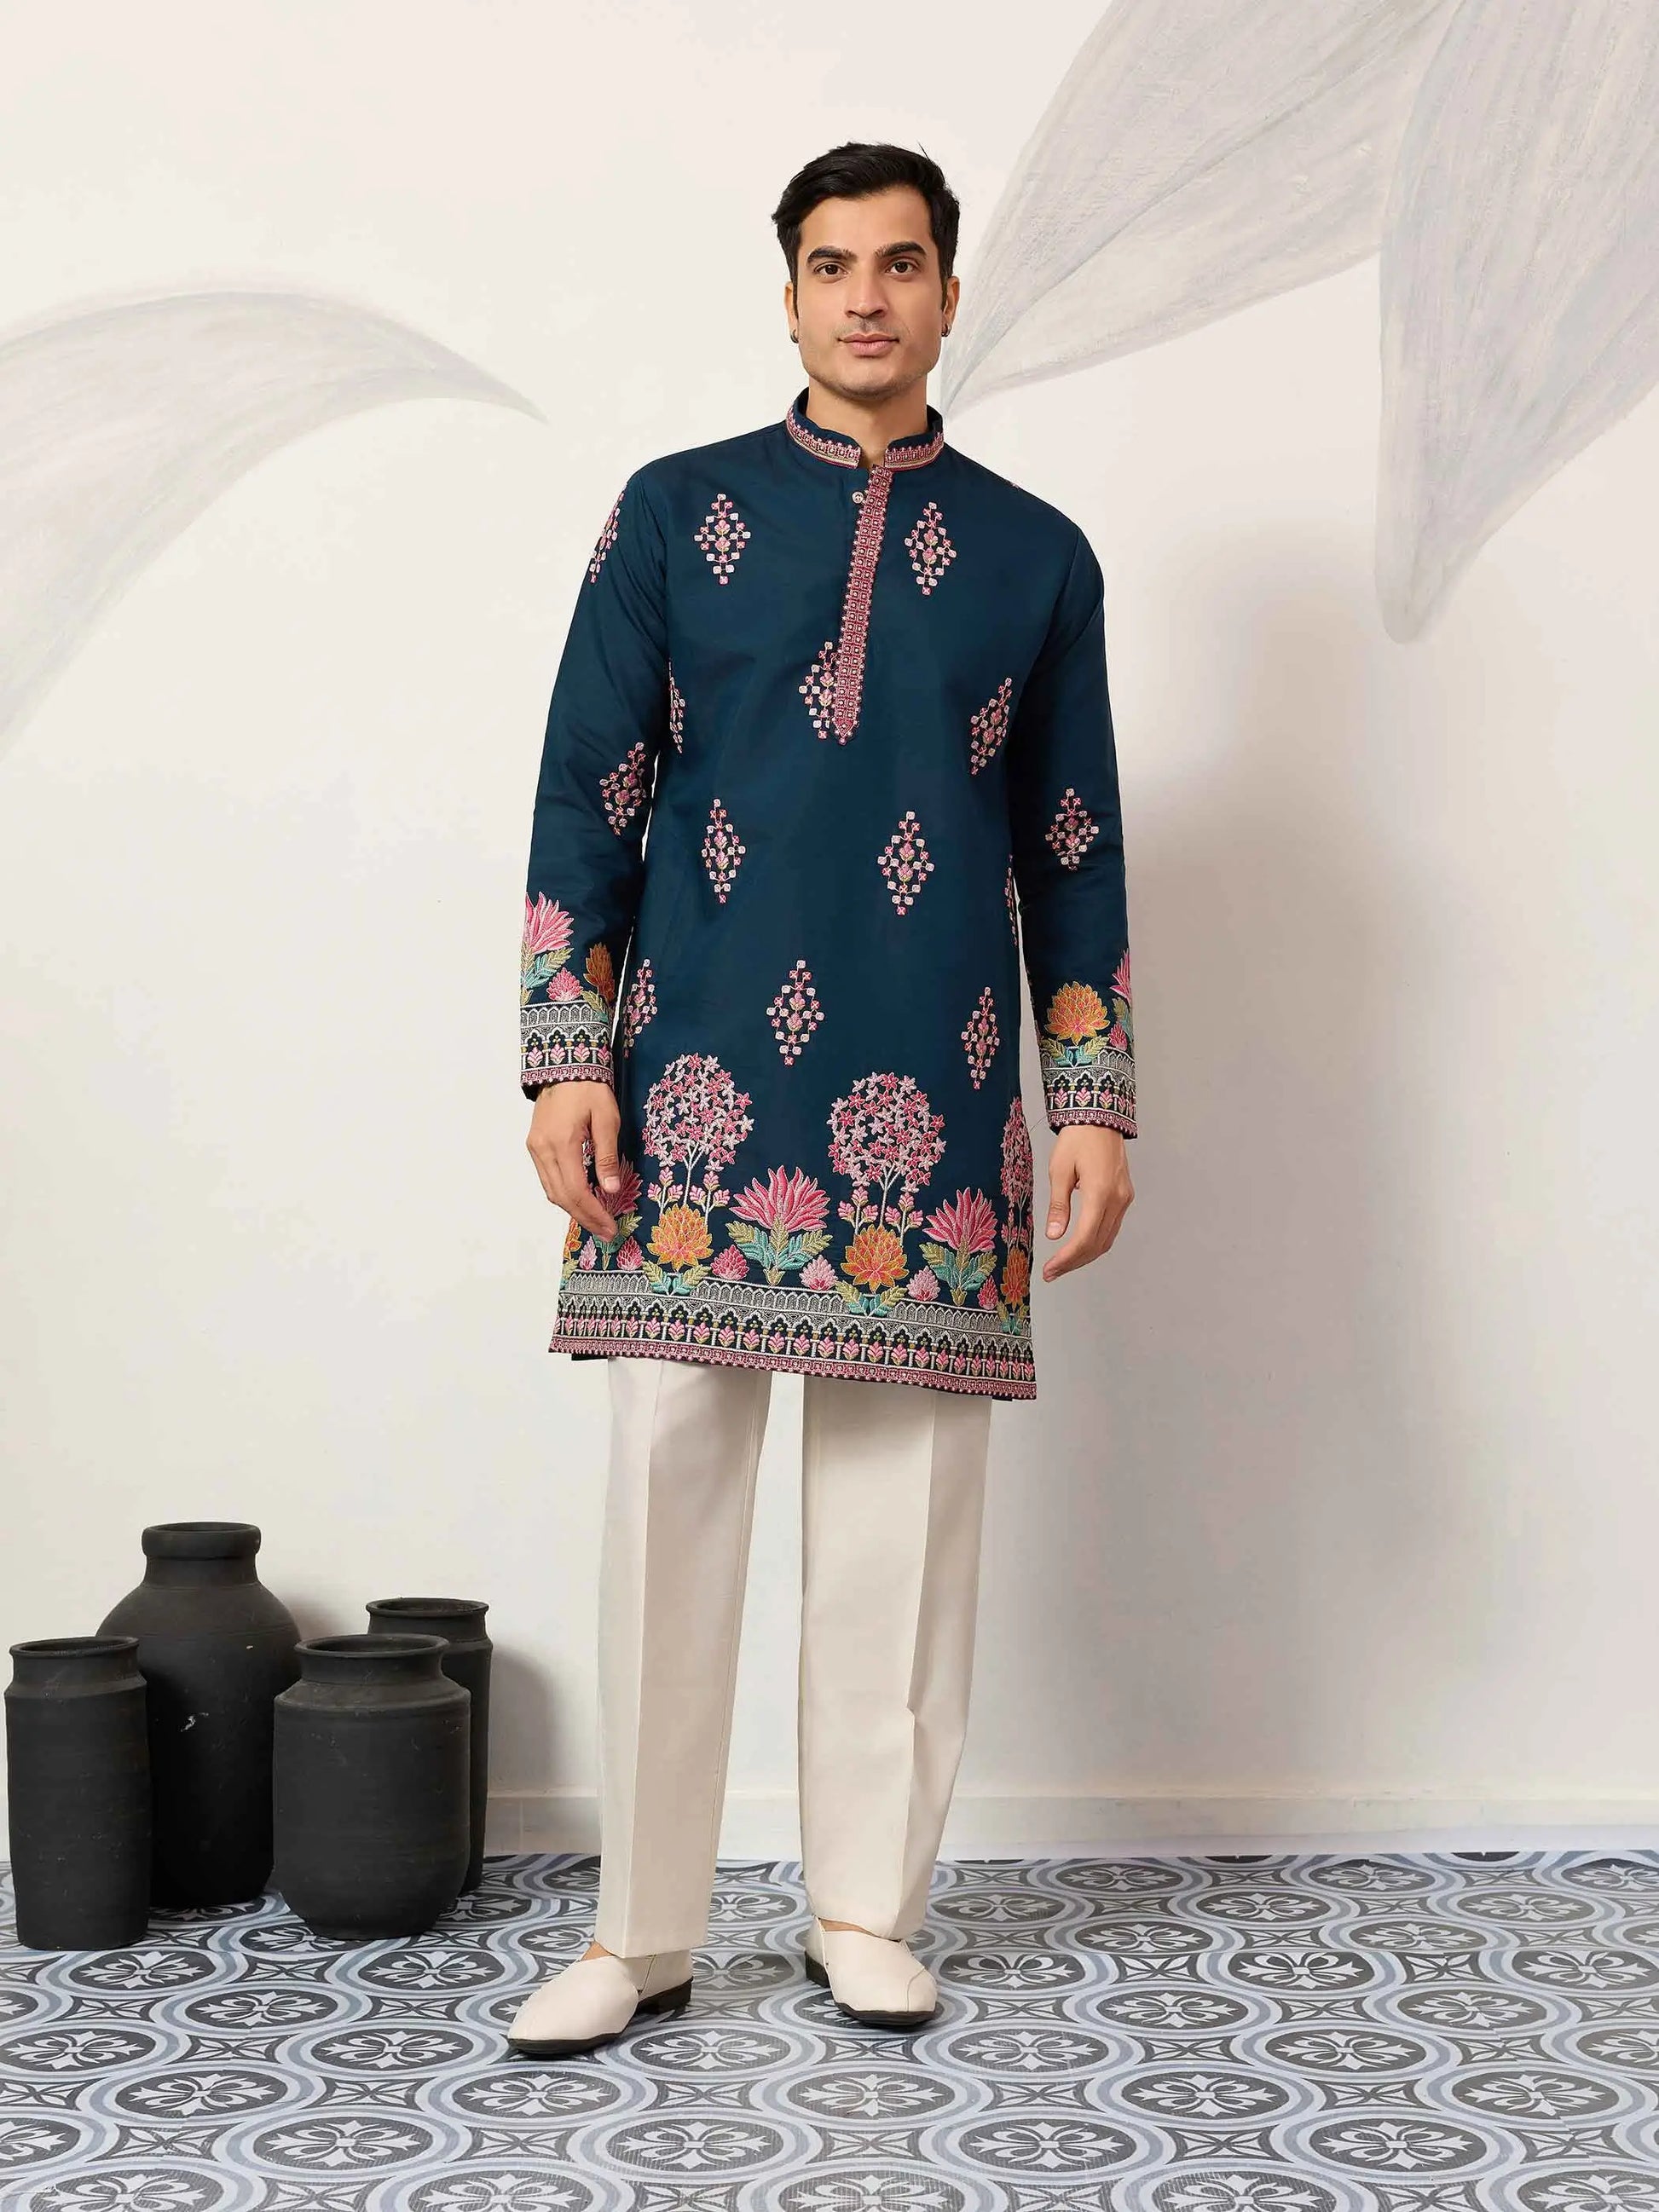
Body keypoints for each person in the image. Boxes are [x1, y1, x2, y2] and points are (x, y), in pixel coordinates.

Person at [506, 141, 1136, 2059]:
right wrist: (565, 1053)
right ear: (786, 294)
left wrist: (1091, 1096)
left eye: (903, 263)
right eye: (833, 264)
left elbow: (1071, 841)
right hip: (684, 1086)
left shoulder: (1035, 554)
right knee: (667, 1494)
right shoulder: (671, 513)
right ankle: (640, 1930)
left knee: (899, 1513)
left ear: (948, 293)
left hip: (931, 1085)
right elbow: (587, 791)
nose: (867, 295)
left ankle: (868, 1908)